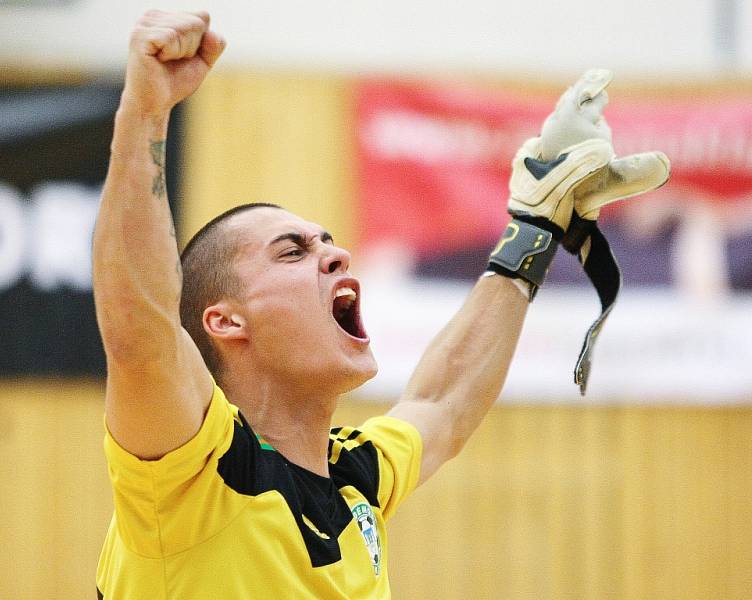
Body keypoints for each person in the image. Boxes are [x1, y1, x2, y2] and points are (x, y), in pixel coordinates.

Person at [92, 10, 669, 599]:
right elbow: (140, 327)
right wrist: (145, 110)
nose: (336, 256)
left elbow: (442, 403)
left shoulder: (355, 477)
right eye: (292, 251)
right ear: (224, 320)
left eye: (329, 241)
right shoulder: (192, 471)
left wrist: (536, 226)